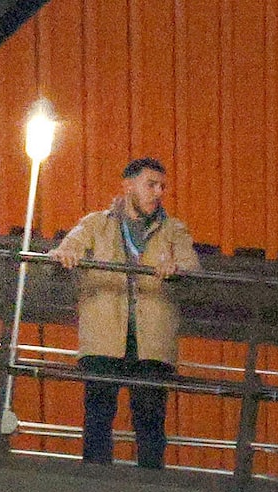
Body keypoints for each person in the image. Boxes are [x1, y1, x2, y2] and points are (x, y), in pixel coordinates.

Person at [50, 158, 199, 470]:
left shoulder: (174, 230)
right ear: (128, 185)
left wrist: (176, 269)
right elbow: (67, 247)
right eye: (151, 185)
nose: (158, 192)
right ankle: (95, 483)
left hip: (153, 342)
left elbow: (192, 267)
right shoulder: (95, 223)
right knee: (98, 413)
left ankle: (150, 486)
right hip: (104, 338)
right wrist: (66, 254)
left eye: (162, 186)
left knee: (150, 418)